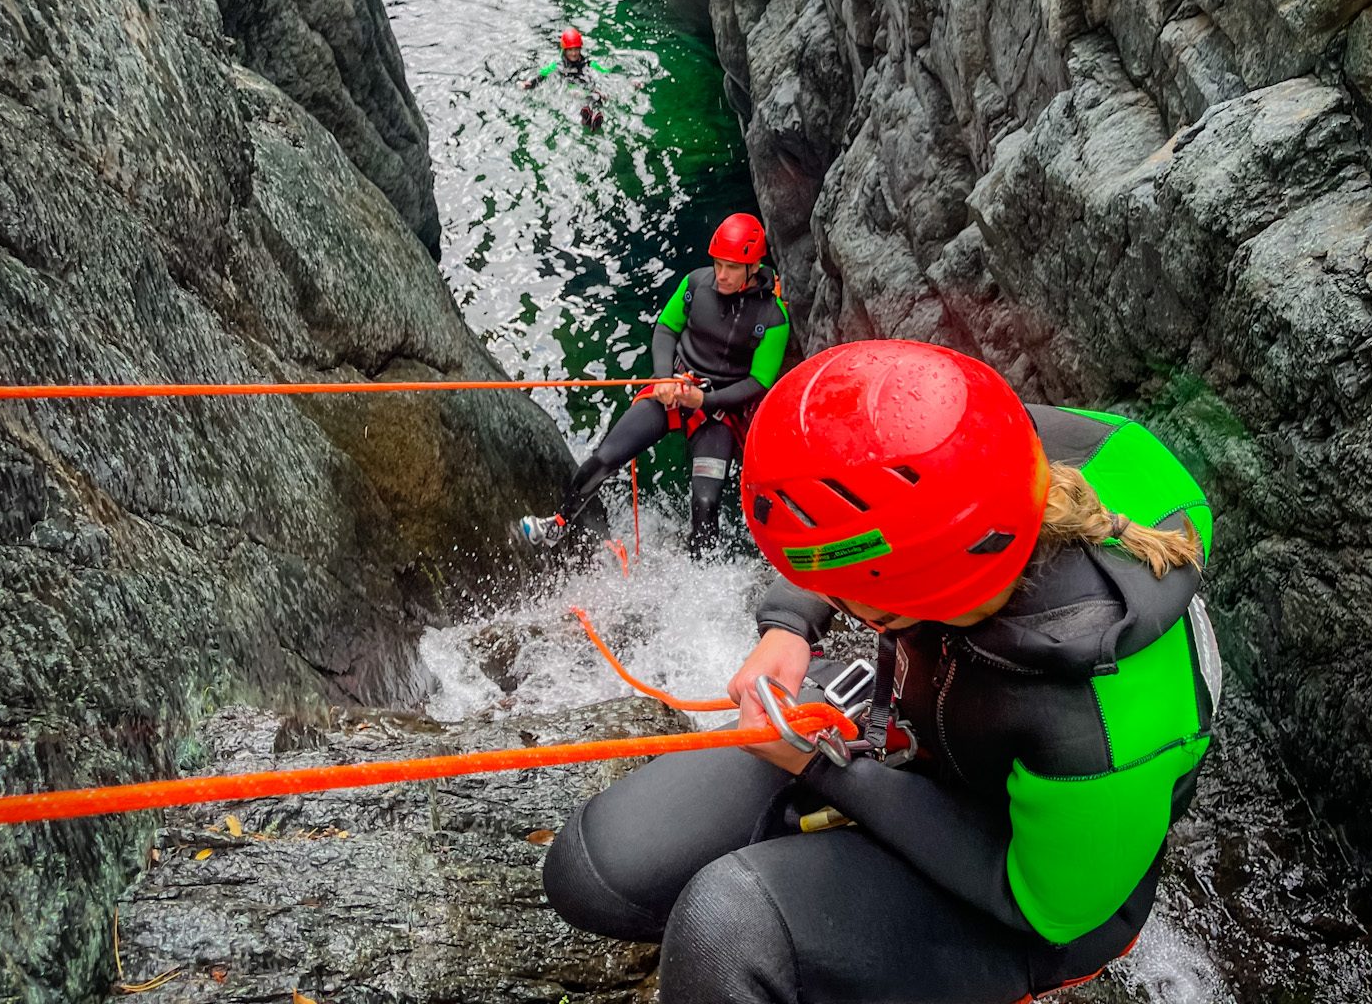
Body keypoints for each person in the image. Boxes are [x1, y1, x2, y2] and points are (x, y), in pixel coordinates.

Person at [541, 338, 1219, 1004]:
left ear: (901, 602)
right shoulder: (999, 453)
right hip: (925, 729)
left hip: (1026, 893)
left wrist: (827, 770)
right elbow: (886, 487)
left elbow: (1046, 908)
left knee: (726, 927)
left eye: (841, 599)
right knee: (594, 869)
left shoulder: (1102, 728)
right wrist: (790, 625)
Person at [519, 213, 791, 556]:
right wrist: (664, 377)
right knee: (605, 458)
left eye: (732, 268)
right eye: (718, 264)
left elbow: (759, 381)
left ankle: (699, 572)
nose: (721, 275)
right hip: (673, 391)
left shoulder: (773, 318)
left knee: (705, 503)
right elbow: (665, 328)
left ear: (753, 267)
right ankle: (558, 524)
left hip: (718, 411)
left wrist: (703, 401)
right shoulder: (695, 285)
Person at [523, 27, 617, 126]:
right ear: (564, 50)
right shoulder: (558, 65)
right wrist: (530, 83)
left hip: (587, 89)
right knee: (578, 97)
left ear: (580, 48)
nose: (574, 53)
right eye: (570, 50)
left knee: (596, 96)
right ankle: (585, 118)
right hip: (571, 91)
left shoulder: (588, 63)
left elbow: (606, 73)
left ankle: (594, 118)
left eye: (576, 49)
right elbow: (543, 74)